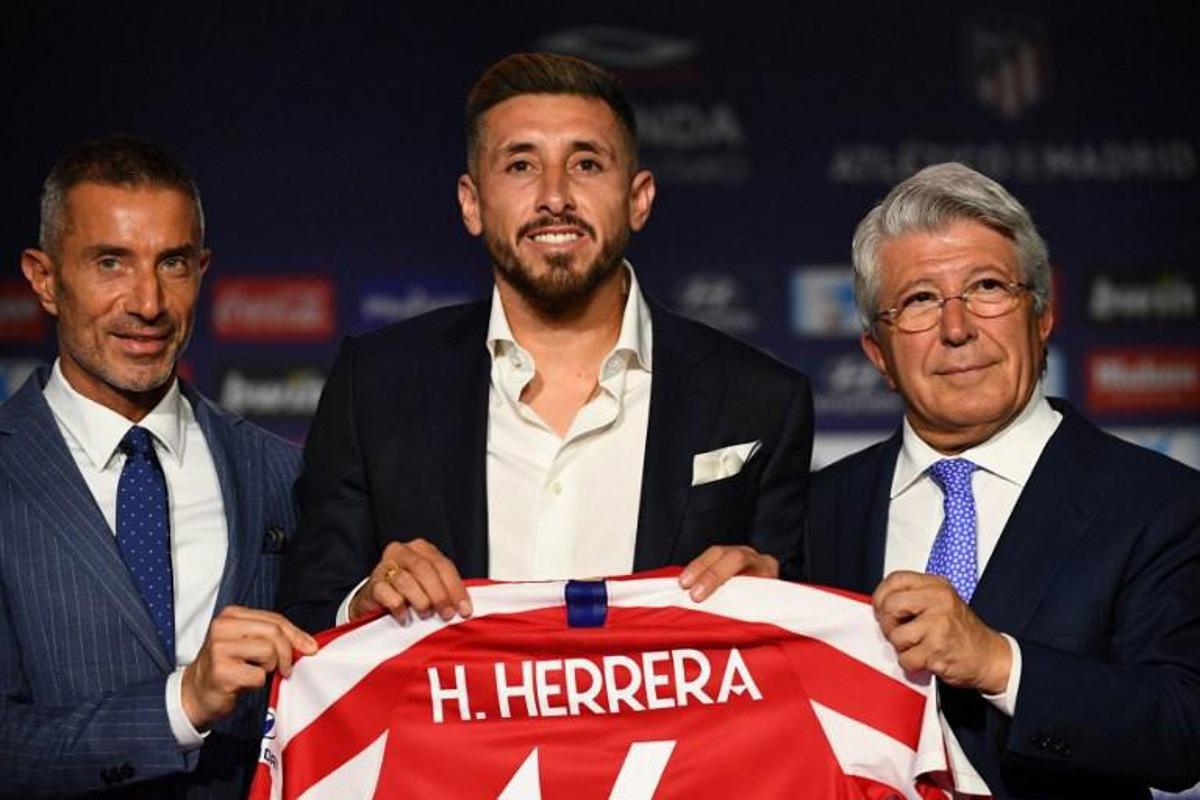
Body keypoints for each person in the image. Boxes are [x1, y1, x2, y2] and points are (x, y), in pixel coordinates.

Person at [278, 52, 813, 633]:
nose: (555, 196)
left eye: (586, 164)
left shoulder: (761, 400)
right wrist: (362, 604)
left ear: (638, 199)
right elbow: (307, 613)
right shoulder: (376, 385)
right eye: (520, 166)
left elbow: (804, 639)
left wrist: (775, 602)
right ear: (471, 203)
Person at [799, 162, 1200, 798]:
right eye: (920, 300)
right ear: (878, 352)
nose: (957, 329)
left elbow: (1182, 730)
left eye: (986, 287)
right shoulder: (814, 510)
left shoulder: (1160, 503)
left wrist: (997, 662)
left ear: (1041, 316)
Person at [0, 136, 316, 797]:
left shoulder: (280, 474)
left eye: (171, 264)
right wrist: (180, 705)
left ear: (201, 269)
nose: (147, 303)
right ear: (44, 279)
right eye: (110, 263)